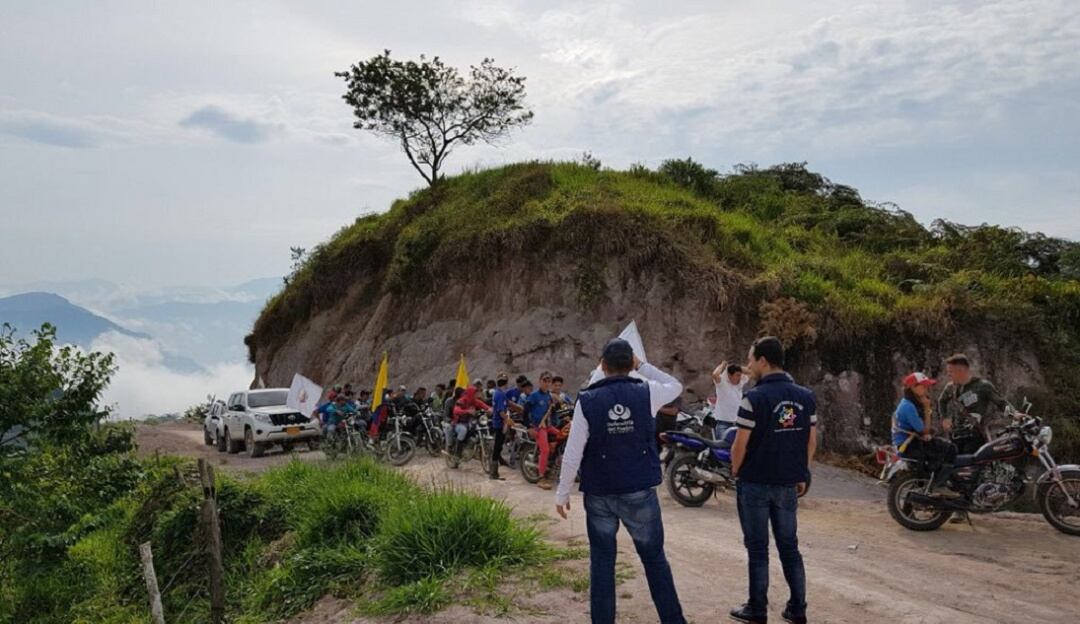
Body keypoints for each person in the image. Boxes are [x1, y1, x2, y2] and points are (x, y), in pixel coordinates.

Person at [554, 338, 686, 624]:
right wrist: (644, 367)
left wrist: (562, 493)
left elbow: (574, 449)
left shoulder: (586, 399)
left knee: (602, 565)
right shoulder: (646, 392)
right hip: (639, 490)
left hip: (599, 493)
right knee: (654, 561)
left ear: (602, 365)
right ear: (631, 365)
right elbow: (675, 387)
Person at [729, 336, 816, 624]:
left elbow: (740, 444)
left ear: (763, 361)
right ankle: (798, 608)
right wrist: (803, 472)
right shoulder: (805, 397)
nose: (749, 364)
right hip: (788, 484)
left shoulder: (754, 398)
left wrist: (736, 470)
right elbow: (810, 440)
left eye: (752, 359)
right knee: (789, 546)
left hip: (755, 482)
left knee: (758, 548)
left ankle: (757, 609)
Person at [938, 353, 1011, 455]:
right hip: (955, 435)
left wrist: (1014, 414)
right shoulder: (951, 388)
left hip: (975, 436)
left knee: (972, 465)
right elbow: (942, 401)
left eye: (951, 371)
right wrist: (944, 418)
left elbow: (1001, 403)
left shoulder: (982, 386)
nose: (948, 375)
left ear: (962, 370)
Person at [893, 372, 956, 465]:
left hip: (913, 442)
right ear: (913, 387)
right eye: (924, 386)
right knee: (950, 448)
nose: (927, 389)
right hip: (909, 446)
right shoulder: (908, 406)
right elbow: (924, 430)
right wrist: (926, 407)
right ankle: (940, 479)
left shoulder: (910, 403)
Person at [525, 372, 559, 490]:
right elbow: (525, 411)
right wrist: (529, 427)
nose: (547, 383)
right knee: (545, 450)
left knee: (562, 435)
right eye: (544, 380)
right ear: (540, 381)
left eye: (549, 381)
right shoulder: (534, 396)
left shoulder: (549, 396)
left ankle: (553, 463)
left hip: (547, 425)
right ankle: (541, 477)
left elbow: (552, 412)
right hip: (538, 427)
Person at [450, 385, 490, 468]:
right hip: (458, 423)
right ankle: (457, 455)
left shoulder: (475, 401)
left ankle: (474, 446)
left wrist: (490, 410)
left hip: (469, 422)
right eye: (475, 393)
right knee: (463, 430)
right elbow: (456, 410)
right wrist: (466, 411)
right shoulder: (461, 401)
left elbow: (485, 406)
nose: (477, 394)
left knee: (480, 426)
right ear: (471, 393)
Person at [712, 360, 748, 435]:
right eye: (737, 375)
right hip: (724, 424)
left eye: (740, 375)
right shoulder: (722, 384)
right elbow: (715, 374)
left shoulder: (740, 383)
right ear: (729, 375)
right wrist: (722, 365)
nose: (739, 377)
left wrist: (737, 367)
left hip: (737, 424)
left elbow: (751, 371)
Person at [489, 375, 512, 480]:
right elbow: (501, 411)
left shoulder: (496, 393)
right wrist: (508, 420)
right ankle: (493, 473)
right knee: (497, 448)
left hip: (496, 422)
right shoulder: (500, 395)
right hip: (500, 424)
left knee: (498, 447)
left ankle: (494, 471)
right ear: (505, 383)